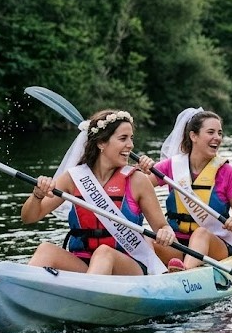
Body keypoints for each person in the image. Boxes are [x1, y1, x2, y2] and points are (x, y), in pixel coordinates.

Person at [22, 110, 176, 275]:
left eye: (131, 138)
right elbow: (29, 218)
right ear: (101, 143)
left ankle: (84, 296)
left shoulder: (138, 180)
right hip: (84, 263)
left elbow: (162, 226)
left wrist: (166, 233)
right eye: (123, 138)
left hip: (128, 266)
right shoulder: (74, 178)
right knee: (46, 249)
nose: (130, 145)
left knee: (104, 253)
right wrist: (37, 195)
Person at [137, 109, 232, 272]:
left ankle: (184, 273)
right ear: (193, 136)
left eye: (219, 133)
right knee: (146, 236)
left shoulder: (227, 172)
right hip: (178, 244)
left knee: (200, 234)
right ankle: (151, 273)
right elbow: (137, 188)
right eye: (210, 132)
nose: (217, 138)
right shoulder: (172, 165)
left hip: (215, 244)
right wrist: (141, 169)